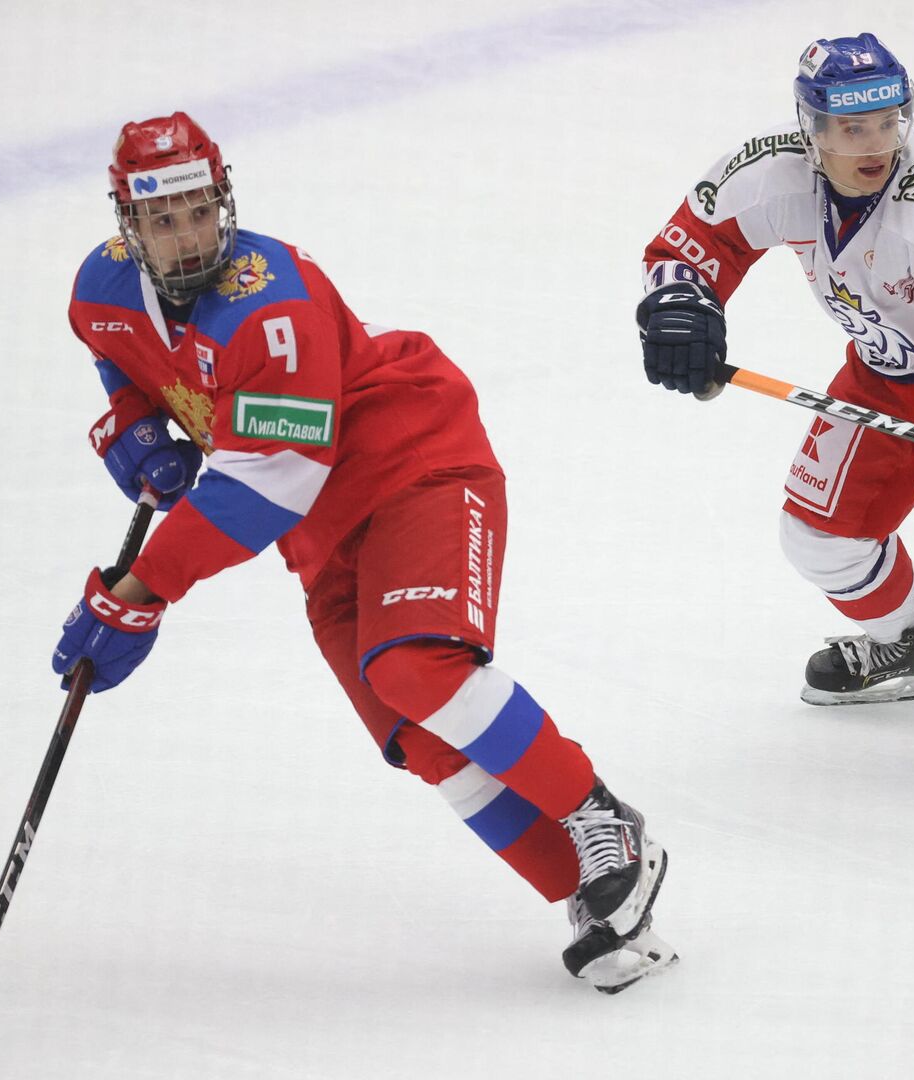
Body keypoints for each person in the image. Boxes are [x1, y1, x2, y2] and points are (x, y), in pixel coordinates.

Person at [52, 112, 674, 990]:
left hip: (411, 461)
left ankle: (603, 821)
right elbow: (112, 349)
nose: (187, 236)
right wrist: (133, 422)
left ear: (223, 200)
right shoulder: (102, 287)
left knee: (417, 667)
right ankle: (598, 900)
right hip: (321, 534)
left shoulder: (272, 308)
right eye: (163, 220)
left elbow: (265, 486)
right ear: (128, 224)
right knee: (413, 734)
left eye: (198, 211)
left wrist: (141, 587)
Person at [635, 34, 914, 766]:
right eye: (852, 127)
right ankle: (910, 642)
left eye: (887, 121)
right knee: (817, 538)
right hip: (892, 364)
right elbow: (692, 244)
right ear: (811, 129)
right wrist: (682, 307)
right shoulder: (772, 171)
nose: (875, 143)